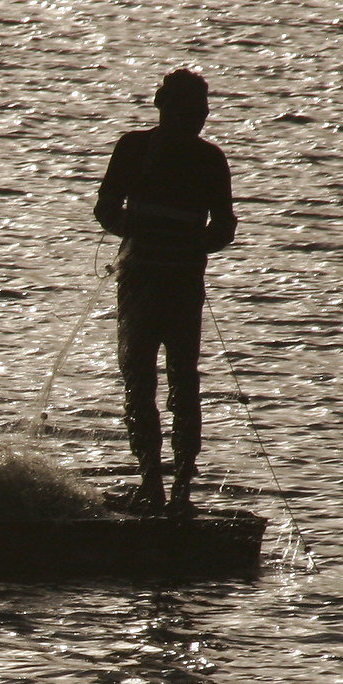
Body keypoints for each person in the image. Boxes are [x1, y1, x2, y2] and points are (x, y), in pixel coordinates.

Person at [94, 68, 237, 514]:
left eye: (201, 112)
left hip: (180, 285)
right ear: (161, 106)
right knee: (143, 380)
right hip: (141, 282)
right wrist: (135, 237)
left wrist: (191, 246)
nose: (195, 120)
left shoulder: (210, 159)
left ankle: (178, 490)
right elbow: (106, 209)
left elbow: (225, 226)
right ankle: (153, 483)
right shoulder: (134, 147)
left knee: (180, 380)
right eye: (186, 111)